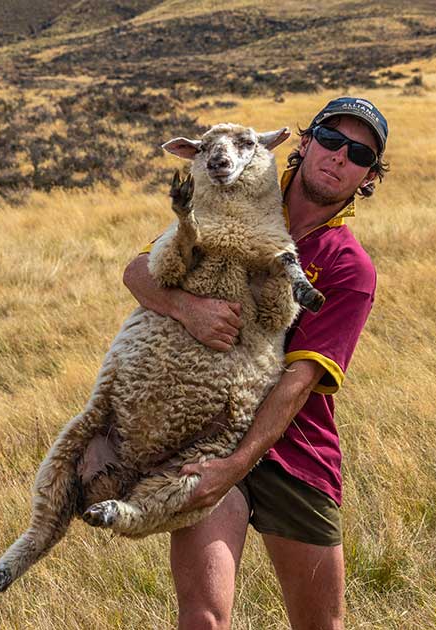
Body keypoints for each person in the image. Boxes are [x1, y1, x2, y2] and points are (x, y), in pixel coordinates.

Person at [122, 97, 389, 630]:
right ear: (305, 142)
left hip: (296, 448)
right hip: (209, 432)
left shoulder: (349, 267)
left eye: (358, 153)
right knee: (203, 619)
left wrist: (238, 464)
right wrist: (188, 309)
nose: (339, 157)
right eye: (332, 140)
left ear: (367, 177)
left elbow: (300, 379)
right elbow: (137, 271)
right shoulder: (235, 198)